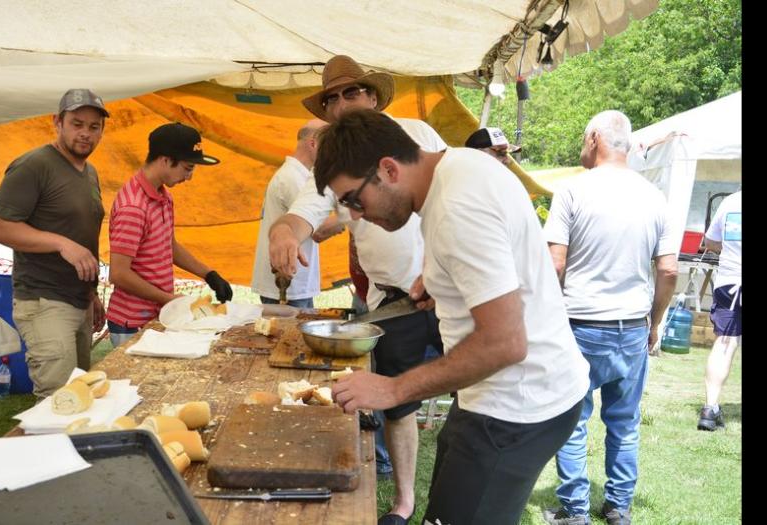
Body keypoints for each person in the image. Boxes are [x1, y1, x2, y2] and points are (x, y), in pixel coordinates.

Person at [315, 109, 590, 525]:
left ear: (388, 169)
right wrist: (444, 281)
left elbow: (504, 342)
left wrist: (393, 391)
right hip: (503, 395)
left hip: (515, 407)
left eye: (354, 199)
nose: (355, 215)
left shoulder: (455, 208)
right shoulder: (461, 166)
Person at [269, 55, 447, 525]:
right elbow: (307, 208)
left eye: (352, 93)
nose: (344, 104)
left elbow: (449, 191)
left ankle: (456, 497)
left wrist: (439, 264)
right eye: (333, 98)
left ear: (372, 97)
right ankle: (405, 502)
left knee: (474, 398)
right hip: (393, 301)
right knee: (399, 403)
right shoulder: (332, 161)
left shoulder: (417, 135)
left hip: (451, 289)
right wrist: (284, 232)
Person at [541, 110, 678, 525]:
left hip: (580, 326)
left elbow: (554, 264)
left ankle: (575, 510)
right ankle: (618, 507)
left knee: (573, 420)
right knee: (624, 422)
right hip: (632, 328)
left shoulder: (571, 191)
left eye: (584, 138)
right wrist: (653, 323)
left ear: (596, 138)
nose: (582, 145)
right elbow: (669, 270)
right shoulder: (655, 197)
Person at [0, 88, 110, 398]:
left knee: (81, 397)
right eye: (77, 124)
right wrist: (61, 243)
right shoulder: (33, 165)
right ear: (57, 122)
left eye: (94, 127)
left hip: (77, 301)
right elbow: (0, 228)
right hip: (44, 303)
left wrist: (91, 293)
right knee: (59, 400)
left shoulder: (90, 172)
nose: (85, 134)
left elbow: (80, 232)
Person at [104, 123, 234, 348]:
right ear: (165, 160)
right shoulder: (134, 207)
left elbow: (168, 245)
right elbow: (119, 273)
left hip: (154, 315)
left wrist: (209, 274)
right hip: (132, 323)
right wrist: (171, 300)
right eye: (187, 168)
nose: (189, 176)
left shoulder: (163, 196)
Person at [251, 119, 331, 308]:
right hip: (288, 285)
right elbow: (317, 231)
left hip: (294, 282)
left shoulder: (298, 175)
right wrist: (351, 216)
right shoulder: (292, 178)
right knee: (290, 337)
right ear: (313, 143)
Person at [698, 190, 741, 432]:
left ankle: (709, 407)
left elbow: (711, 242)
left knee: (725, 341)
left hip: (730, 281)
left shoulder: (731, 201)